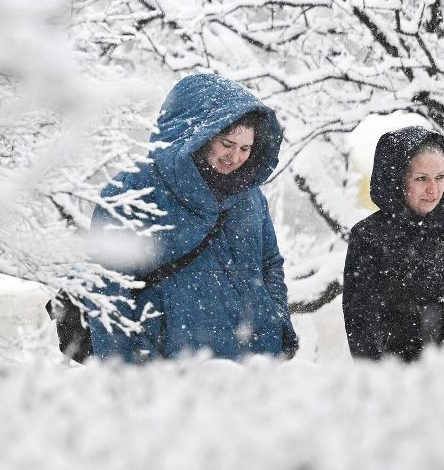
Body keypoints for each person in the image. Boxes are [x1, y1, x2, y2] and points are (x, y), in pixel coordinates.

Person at [87, 73, 298, 362]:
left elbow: (270, 264)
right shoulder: (132, 190)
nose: (235, 157)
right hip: (169, 371)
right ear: (197, 135)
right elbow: (108, 288)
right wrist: (122, 370)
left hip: (252, 366)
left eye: (246, 148)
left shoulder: (250, 196)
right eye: (227, 143)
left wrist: (276, 321)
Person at [342, 125, 444, 369]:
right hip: (403, 386)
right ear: (397, 180)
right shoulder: (369, 237)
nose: (433, 190)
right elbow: (363, 333)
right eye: (421, 179)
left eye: (440, 177)